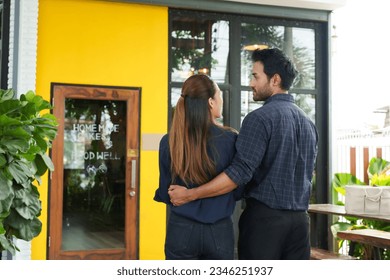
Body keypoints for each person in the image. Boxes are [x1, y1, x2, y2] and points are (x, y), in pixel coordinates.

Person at [168, 48, 319, 260]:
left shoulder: (259, 119)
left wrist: (191, 194)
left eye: (256, 76)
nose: (251, 83)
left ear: (275, 79)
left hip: (265, 224)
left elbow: (238, 174)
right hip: (301, 225)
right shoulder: (308, 124)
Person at [154, 74, 242, 260]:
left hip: (181, 230)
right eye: (219, 95)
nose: (221, 100)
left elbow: (165, 192)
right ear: (211, 102)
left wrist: (187, 195)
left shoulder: (169, 141)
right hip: (219, 231)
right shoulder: (231, 140)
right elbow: (237, 188)